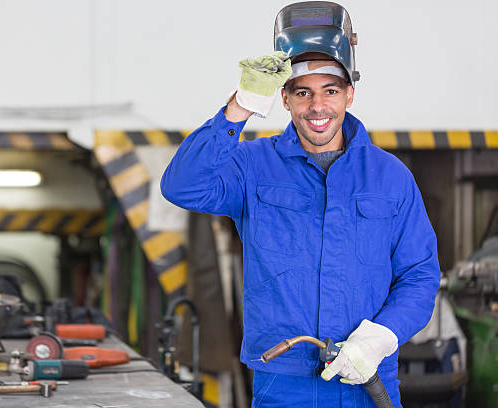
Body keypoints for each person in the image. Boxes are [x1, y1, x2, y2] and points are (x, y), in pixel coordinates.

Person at [161, 3, 440, 406]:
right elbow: (182, 187)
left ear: (350, 95)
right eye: (303, 92)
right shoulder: (252, 165)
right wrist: (241, 105)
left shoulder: (390, 176)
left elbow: (420, 274)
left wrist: (383, 336)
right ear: (285, 99)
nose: (317, 106)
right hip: (284, 381)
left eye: (330, 91)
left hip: (368, 377)